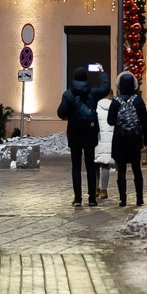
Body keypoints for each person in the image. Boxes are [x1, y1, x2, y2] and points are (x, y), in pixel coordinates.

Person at [57, 64, 110, 206]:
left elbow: (61, 113)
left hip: (75, 133)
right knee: (90, 166)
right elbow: (106, 88)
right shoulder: (92, 93)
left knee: (76, 167)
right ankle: (92, 198)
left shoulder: (68, 94)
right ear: (86, 78)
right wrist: (103, 73)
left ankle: (78, 198)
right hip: (90, 132)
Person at [107, 71, 147, 207]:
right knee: (137, 169)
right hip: (135, 139)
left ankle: (122, 199)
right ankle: (139, 198)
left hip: (120, 139)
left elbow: (110, 121)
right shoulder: (138, 100)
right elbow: (144, 121)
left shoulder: (116, 101)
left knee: (122, 170)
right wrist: (146, 139)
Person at [95, 93, 115, 200]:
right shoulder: (114, 106)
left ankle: (95, 189)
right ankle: (104, 190)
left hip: (98, 138)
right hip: (110, 140)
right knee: (106, 166)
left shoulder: (97, 105)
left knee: (96, 165)